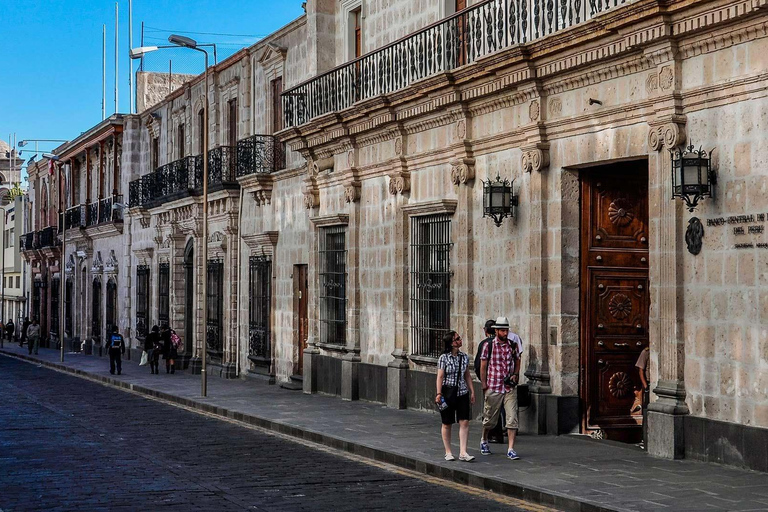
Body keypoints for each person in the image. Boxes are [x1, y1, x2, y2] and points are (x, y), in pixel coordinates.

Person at [479, 316, 523, 460]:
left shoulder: (512, 344)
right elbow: (483, 366)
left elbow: (517, 360)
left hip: (509, 387)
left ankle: (511, 448)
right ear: (496, 331)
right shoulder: (488, 345)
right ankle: (484, 439)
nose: (505, 333)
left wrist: (516, 374)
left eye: (506, 330)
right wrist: (484, 385)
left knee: (512, 418)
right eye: (502, 330)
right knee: (490, 419)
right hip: (494, 385)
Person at [435, 330, 475, 462]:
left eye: (460, 338)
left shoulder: (464, 357)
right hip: (448, 392)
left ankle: (463, 452)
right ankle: (448, 452)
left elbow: (467, 375)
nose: (460, 340)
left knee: (464, 421)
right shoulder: (443, 358)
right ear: (451, 343)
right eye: (457, 339)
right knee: (447, 423)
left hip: (462, 392)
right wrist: (439, 393)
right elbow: (440, 376)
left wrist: (472, 391)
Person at [474, 319, 504, 443]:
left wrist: (483, 381)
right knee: (500, 407)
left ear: (485, 330)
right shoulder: (504, 343)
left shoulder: (485, 344)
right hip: (503, 381)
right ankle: (503, 432)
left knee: (490, 409)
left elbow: (478, 365)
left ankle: (493, 435)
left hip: (490, 382)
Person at [634, 346, 650, 449]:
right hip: (649, 384)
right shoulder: (646, 352)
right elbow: (641, 370)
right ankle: (644, 439)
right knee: (646, 411)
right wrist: (645, 386)